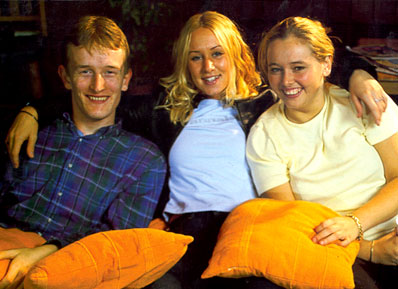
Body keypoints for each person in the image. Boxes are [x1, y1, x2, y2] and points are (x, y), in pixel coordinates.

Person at [3, 11, 389, 289]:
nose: (208, 66)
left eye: (217, 53)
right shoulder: (163, 110)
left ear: (236, 55)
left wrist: (357, 74)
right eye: (196, 56)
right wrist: (33, 110)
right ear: (185, 63)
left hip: (244, 229)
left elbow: (311, 58)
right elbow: (98, 95)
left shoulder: (264, 101)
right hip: (182, 233)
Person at [0, 15, 166, 288]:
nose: (98, 86)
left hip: (65, 266)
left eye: (110, 72)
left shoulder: (145, 160)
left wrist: (45, 251)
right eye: (85, 71)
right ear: (66, 77)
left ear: (126, 79)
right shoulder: (34, 134)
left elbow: (115, 240)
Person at [247, 16, 398, 289]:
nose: (286, 80)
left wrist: (356, 223)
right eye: (275, 69)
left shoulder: (364, 102)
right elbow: (290, 219)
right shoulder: (264, 134)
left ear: (326, 64)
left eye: (298, 67)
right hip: (327, 247)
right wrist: (370, 249)